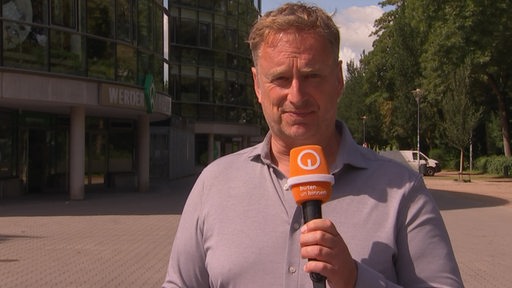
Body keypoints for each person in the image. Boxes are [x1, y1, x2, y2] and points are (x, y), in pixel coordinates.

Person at [162, 2, 463, 287]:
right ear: (257, 85)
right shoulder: (214, 184)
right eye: (280, 78)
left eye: (312, 76)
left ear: (339, 79)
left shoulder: (402, 191)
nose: (296, 95)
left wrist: (355, 279)